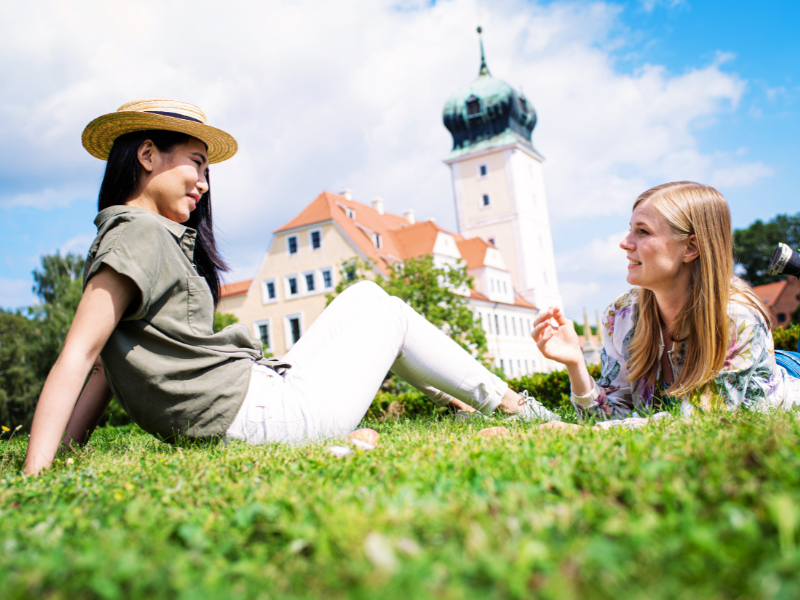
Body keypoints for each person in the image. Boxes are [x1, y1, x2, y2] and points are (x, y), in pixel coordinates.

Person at [23, 99, 558, 475]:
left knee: (368, 299)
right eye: (196, 163)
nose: (205, 184)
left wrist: (67, 454)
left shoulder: (146, 238)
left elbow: (103, 367)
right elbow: (81, 355)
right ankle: (513, 407)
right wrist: (37, 472)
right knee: (385, 313)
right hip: (256, 416)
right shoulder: (138, 233)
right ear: (146, 155)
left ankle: (489, 404)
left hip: (253, 402)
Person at [533, 181, 800, 424]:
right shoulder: (622, 314)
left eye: (643, 231)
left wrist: (583, 434)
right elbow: (607, 417)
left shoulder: (737, 315)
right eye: (630, 230)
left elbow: (702, 421)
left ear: (691, 248)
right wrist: (575, 364)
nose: (624, 243)